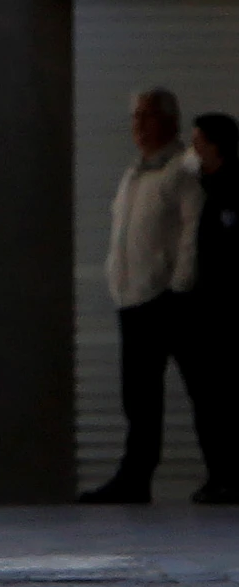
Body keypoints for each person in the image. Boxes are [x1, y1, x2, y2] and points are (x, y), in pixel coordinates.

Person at [81, 88, 213, 504]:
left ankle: (224, 473)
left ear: (171, 121)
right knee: (138, 398)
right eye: (135, 116)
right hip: (133, 301)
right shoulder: (133, 174)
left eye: (148, 116)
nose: (138, 125)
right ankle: (135, 477)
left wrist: (181, 286)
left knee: (204, 390)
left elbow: (193, 231)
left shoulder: (182, 171)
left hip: (170, 301)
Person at [187, 112, 239, 504]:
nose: (193, 149)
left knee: (223, 399)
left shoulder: (231, 190)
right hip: (208, 312)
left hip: (227, 314)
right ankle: (219, 474)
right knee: (209, 399)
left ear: (215, 145)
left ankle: (229, 477)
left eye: (199, 141)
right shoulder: (206, 188)